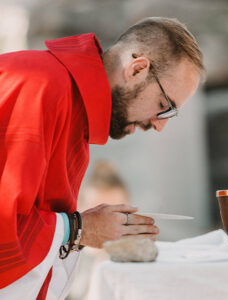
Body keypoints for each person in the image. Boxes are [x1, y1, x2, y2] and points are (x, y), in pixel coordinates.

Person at [0, 17, 204, 299]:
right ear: (137, 69)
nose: (160, 125)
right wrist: (79, 229)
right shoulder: (39, 86)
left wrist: (83, 228)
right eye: (164, 106)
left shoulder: (70, 107)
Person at [68, 160, 130, 300]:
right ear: (79, 209)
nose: (108, 224)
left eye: (117, 212)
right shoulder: (63, 259)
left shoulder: (144, 256)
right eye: (98, 215)